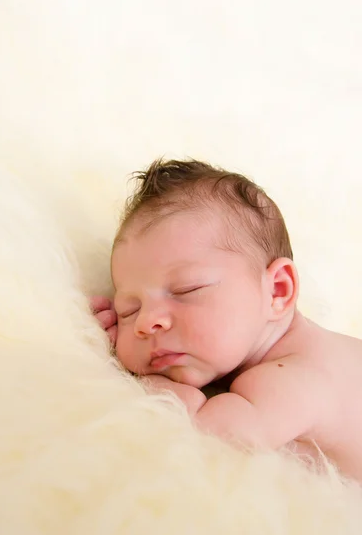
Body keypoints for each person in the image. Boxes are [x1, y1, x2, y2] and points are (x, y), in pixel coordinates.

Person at [91, 158, 362, 482]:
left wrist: (147, 384)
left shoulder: (296, 376)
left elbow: (215, 435)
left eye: (185, 290)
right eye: (128, 310)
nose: (146, 323)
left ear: (277, 290)